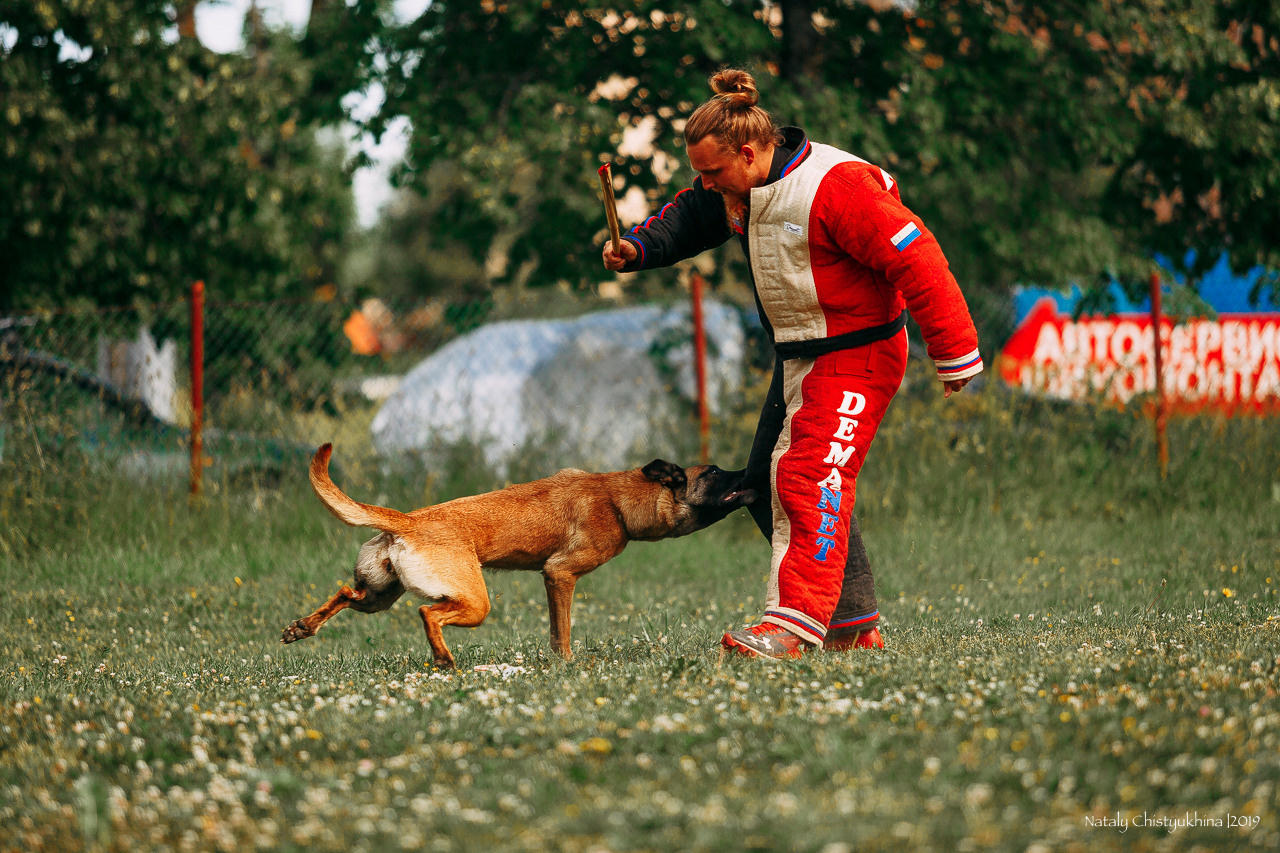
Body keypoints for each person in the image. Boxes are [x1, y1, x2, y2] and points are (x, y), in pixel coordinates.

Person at [602, 69, 982, 660]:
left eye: (712, 173)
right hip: (801, 357)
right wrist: (639, 248)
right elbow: (690, 216)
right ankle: (853, 628)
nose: (705, 185)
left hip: (857, 354)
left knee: (806, 478)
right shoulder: (740, 188)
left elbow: (919, 258)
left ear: (750, 153)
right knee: (760, 486)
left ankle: (793, 627)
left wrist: (954, 351)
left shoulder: (839, 187)